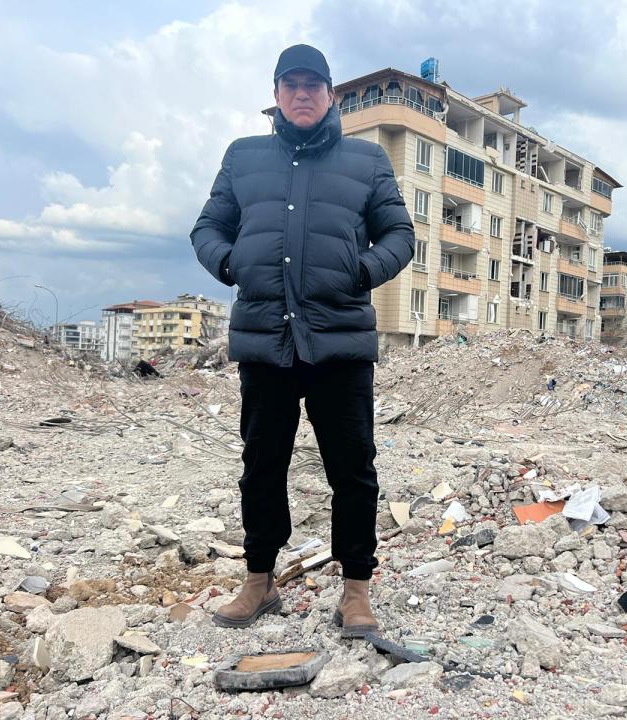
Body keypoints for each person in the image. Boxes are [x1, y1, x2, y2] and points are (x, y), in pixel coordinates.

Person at [190, 44, 414, 635]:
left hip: (339, 342)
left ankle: (357, 590)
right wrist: (232, 264)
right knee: (263, 464)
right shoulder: (243, 157)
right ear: (276, 93)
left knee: (353, 468)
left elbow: (399, 234)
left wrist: (361, 272)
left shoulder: (366, 161)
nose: (302, 94)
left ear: (331, 94)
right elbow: (207, 227)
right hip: (266, 340)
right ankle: (259, 581)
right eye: (291, 84)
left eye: (313, 84)